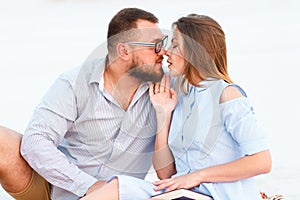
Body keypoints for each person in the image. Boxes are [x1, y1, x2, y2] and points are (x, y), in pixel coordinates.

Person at [81, 14, 272, 200]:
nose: (166, 52)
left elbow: (262, 161)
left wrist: (196, 176)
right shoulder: (177, 93)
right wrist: (162, 114)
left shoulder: (227, 95)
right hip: (180, 191)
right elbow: (165, 174)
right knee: (116, 187)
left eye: (174, 45)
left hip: (216, 195)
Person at [0, 7, 168, 200]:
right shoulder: (74, 83)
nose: (162, 52)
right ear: (124, 51)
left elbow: (203, 82)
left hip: (119, 196)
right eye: (154, 45)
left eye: (163, 43)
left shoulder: (165, 88)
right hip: (58, 189)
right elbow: (35, 141)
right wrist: (88, 186)